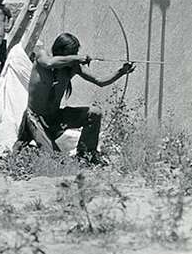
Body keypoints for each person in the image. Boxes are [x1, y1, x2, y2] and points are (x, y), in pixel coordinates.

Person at [14, 32, 135, 164]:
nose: (75, 55)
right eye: (71, 52)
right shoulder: (42, 55)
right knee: (55, 162)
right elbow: (49, 63)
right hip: (36, 119)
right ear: (60, 50)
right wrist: (76, 58)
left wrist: (121, 72)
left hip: (55, 118)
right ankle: (29, 149)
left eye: (76, 52)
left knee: (94, 113)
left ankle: (86, 156)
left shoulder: (72, 67)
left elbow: (100, 81)